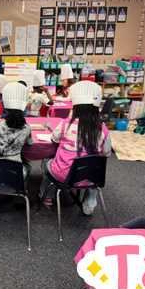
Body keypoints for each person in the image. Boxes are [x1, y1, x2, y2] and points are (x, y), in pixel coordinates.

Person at [39, 79, 112, 215]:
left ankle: (47, 197)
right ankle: (88, 206)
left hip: (63, 175)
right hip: (90, 178)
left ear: (75, 107)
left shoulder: (65, 123)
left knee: (45, 163)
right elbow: (106, 154)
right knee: (94, 169)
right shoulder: (103, 130)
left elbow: (54, 139)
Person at [0, 81, 33, 212]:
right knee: (28, 167)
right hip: (16, 170)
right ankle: (19, 199)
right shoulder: (26, 128)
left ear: (6, 109)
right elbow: (30, 143)